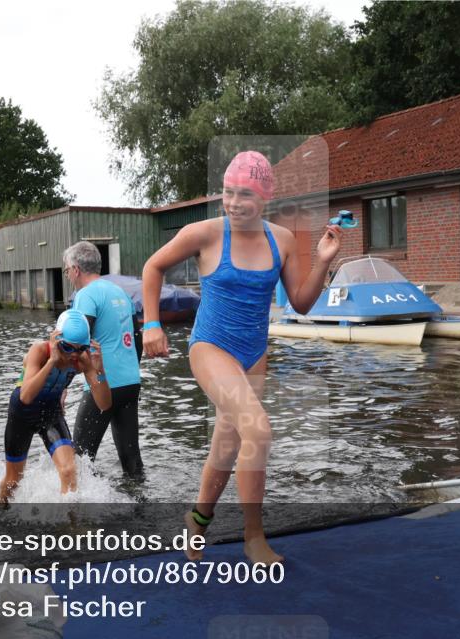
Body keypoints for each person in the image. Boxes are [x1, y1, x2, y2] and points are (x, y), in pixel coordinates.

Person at [142, 150, 343, 565]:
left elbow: (301, 304)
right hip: (210, 346)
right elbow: (153, 267)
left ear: (265, 197)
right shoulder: (206, 233)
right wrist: (151, 324)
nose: (234, 203)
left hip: (254, 354)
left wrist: (322, 262)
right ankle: (254, 538)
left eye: (245, 195)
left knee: (228, 445)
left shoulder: (281, 240)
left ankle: (197, 519)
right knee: (259, 430)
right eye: (228, 193)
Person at [0, 310, 110, 503]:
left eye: (80, 349)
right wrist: (52, 361)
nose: (73, 355)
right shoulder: (40, 350)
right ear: (56, 339)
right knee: (13, 481)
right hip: (22, 413)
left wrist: (98, 369)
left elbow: (104, 404)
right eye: (67, 348)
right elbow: (26, 396)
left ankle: (71, 526)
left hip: (50, 412)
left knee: (68, 471)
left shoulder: (82, 360)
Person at [62, 242, 144, 477]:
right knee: (131, 459)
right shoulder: (120, 292)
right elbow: (137, 340)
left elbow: (77, 344)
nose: (68, 276)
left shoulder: (85, 295)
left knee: (80, 458)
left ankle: (79, 511)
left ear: (76, 269)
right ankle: (140, 507)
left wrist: (63, 385)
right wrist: (130, 370)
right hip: (130, 382)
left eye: (67, 271)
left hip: (103, 384)